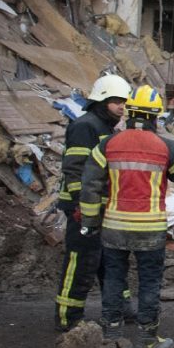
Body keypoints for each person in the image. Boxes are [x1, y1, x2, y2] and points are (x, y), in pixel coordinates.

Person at [79, 85, 174, 348]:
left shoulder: (107, 143)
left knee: (114, 280)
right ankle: (148, 340)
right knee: (149, 282)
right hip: (150, 228)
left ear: (127, 113)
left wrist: (90, 221)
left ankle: (111, 337)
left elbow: (89, 185)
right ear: (156, 117)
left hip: (114, 227)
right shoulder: (166, 146)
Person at [54, 74, 135, 331]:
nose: (122, 107)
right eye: (116, 101)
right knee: (81, 261)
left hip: (100, 207)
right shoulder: (86, 126)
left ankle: (120, 307)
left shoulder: (105, 128)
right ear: (101, 100)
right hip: (82, 209)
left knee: (107, 259)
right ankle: (68, 317)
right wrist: (80, 206)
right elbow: (76, 168)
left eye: (124, 102)